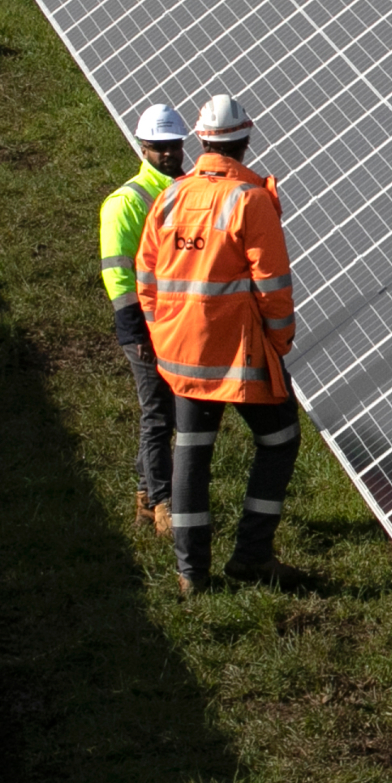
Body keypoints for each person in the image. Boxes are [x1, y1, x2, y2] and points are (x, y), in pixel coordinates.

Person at [137, 92, 299, 596]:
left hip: (179, 354)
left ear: (200, 140)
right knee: (279, 438)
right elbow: (272, 285)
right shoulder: (249, 200)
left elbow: (144, 275)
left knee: (191, 451)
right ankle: (251, 554)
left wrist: (162, 331)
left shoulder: (168, 197)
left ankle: (192, 574)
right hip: (237, 354)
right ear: (245, 141)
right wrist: (279, 342)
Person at [99, 104, 190, 529]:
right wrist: (135, 330)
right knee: (157, 412)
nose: (170, 154)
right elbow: (117, 274)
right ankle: (161, 501)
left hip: (175, 321)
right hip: (144, 327)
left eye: (174, 146)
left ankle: (143, 493)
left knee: (165, 411)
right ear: (143, 149)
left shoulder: (185, 191)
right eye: (160, 148)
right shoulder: (126, 203)